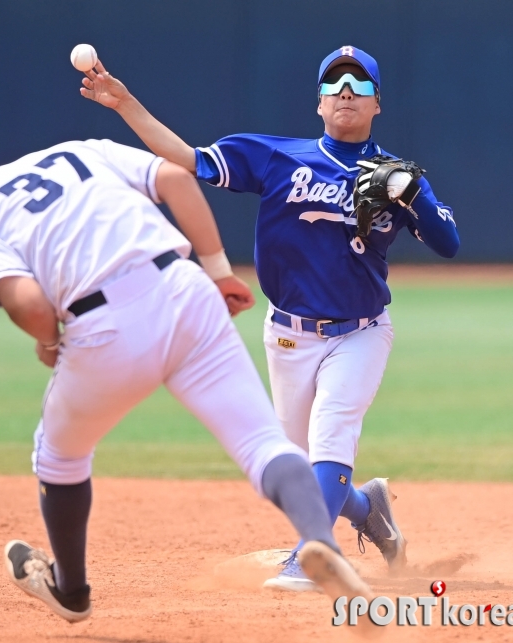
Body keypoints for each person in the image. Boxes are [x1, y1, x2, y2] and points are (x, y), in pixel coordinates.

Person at [0, 137, 376, 623]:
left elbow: (30, 305)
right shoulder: (74, 151)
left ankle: (72, 592)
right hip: (184, 288)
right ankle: (319, 542)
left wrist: (49, 342)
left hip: (104, 328)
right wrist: (217, 272)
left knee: (59, 455)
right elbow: (176, 178)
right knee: (261, 443)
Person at [78, 45, 460, 591]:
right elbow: (187, 159)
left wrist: (414, 195)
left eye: (359, 84)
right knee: (302, 474)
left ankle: (310, 556)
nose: (345, 92)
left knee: (332, 438)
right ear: (319, 104)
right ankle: (367, 507)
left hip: (360, 333)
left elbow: (448, 243)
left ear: (379, 103)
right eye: (334, 85)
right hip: (287, 337)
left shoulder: (396, 178)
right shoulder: (278, 156)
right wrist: (125, 105)